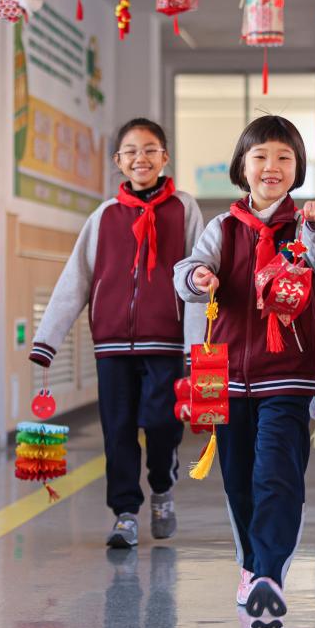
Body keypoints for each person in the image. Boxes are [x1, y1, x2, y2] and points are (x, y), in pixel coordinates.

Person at [174, 115, 315, 628]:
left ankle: (270, 573)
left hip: (288, 376)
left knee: (277, 475)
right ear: (241, 167)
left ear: (298, 169)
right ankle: (251, 566)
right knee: (240, 480)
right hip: (227, 376)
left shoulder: (305, 225)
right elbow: (186, 274)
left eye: (284, 158)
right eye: (261, 156)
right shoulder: (222, 227)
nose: (272, 166)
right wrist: (198, 277)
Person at [30, 118, 204, 549]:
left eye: (149, 149)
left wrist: (197, 346)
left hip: (165, 342)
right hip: (111, 345)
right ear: (118, 161)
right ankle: (125, 513)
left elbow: (199, 281)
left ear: (164, 157)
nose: (140, 158)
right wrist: (47, 341)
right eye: (131, 151)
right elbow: (76, 279)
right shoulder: (103, 216)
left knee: (163, 423)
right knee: (118, 429)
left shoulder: (185, 209)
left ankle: (162, 487)